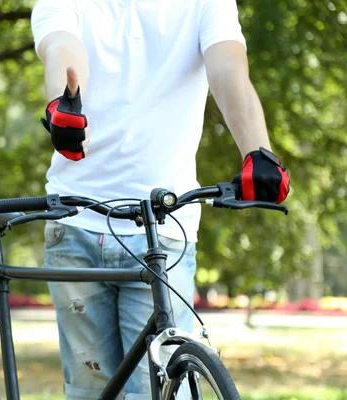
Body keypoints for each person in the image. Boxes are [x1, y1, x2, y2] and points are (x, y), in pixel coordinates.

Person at [31, 0, 290, 399]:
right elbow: (62, 48)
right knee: (89, 392)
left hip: (163, 232)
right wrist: (61, 102)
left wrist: (258, 150)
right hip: (76, 224)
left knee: (164, 391)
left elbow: (227, 68)